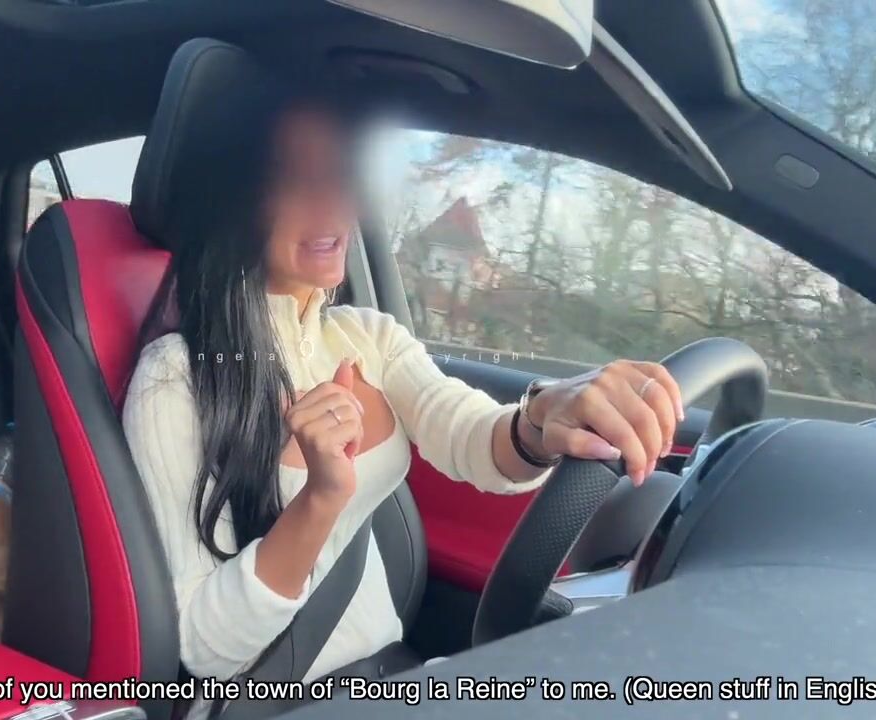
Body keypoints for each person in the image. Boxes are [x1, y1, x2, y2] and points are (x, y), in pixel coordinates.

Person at [123, 87, 682, 712]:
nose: (336, 202)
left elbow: (469, 436)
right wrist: (319, 501)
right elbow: (204, 647)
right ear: (234, 200)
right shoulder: (177, 378)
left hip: (394, 673)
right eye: (297, 179)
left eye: (343, 175)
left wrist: (543, 415)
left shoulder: (367, 335)